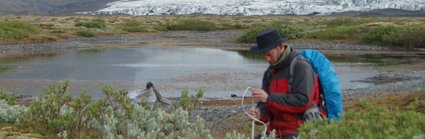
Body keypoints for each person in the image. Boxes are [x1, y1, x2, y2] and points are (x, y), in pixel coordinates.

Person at [248, 29, 320, 139]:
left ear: (281, 47)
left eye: (269, 54)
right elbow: (265, 104)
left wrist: (269, 98)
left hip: (300, 130)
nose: (267, 59)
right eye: (264, 55)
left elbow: (303, 101)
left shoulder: (301, 67)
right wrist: (259, 114)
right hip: (274, 130)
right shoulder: (269, 73)